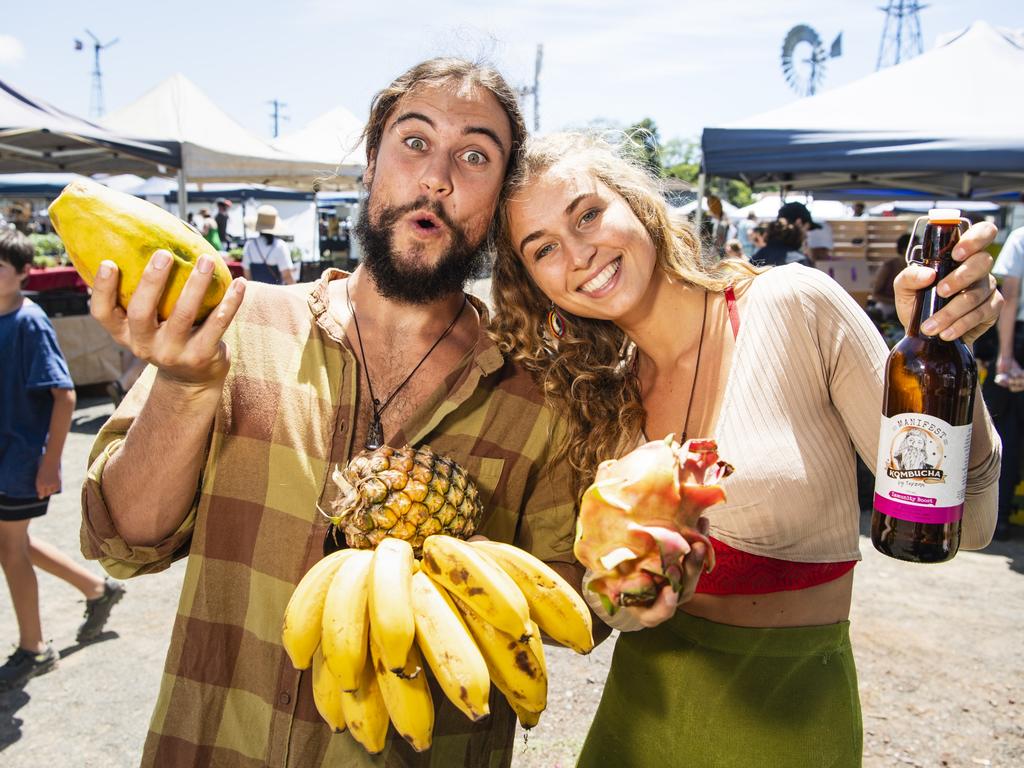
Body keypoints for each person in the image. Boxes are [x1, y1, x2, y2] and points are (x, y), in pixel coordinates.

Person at [79, 58, 582, 767]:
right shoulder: (232, 323)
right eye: (414, 142)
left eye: (475, 155)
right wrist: (185, 387)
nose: (437, 176)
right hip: (215, 744)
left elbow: (569, 607)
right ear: (372, 161)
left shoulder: (539, 399)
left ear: (500, 196)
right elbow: (121, 541)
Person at [488, 132, 1002, 767]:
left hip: (790, 728)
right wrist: (632, 595)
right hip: (638, 727)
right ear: (536, 284)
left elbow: (972, 524)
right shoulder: (602, 402)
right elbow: (613, 607)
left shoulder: (792, 307)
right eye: (543, 249)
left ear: (639, 204)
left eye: (588, 214)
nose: (579, 252)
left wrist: (947, 348)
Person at [0, 228, 125, 692]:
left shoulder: (29, 321)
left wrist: (51, 462)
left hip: (18, 461)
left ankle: (34, 649)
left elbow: (64, 394)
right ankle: (98, 589)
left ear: (23, 274)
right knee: (11, 544)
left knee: (10, 549)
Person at [983, 224, 1024, 540]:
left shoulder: (1021, 236)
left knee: (1003, 432)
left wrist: (1006, 356)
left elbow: (1009, 296)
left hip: (1017, 342)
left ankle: (997, 517)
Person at [241, 205, 297, 285]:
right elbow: (286, 276)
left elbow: (247, 275)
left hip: (256, 293)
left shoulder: (249, 245)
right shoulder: (280, 246)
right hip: (276, 294)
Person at [868, 232, 911, 322]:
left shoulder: (917, 269)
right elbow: (875, 294)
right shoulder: (888, 267)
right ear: (904, 249)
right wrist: (895, 303)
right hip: (887, 307)